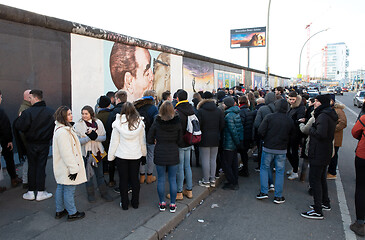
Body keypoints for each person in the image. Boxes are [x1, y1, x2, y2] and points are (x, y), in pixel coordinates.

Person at [301, 94, 338, 220]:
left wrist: (311, 129)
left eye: (316, 101)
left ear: (322, 103)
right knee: (321, 178)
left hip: (318, 152)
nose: (314, 103)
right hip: (325, 152)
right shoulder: (329, 114)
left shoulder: (322, 115)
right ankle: (324, 202)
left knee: (315, 180)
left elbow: (320, 134)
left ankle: (318, 210)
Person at [14, 89, 55, 201]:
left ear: (36, 98)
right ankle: (41, 192)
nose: (29, 100)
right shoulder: (51, 112)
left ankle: (31, 191)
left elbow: (19, 126)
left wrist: (21, 118)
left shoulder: (28, 113)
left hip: (31, 144)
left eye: (30, 98)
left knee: (32, 166)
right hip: (45, 144)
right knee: (41, 166)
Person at [108, 102, 146, 210]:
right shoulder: (140, 123)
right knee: (135, 179)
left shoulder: (118, 124)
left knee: (123, 180)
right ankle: (135, 202)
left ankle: (124, 203)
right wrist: (144, 155)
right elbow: (142, 141)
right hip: (135, 155)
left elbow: (114, 142)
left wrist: (110, 158)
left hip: (122, 155)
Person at [147, 101, 183, 213]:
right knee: (172, 179)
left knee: (161, 179)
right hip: (173, 151)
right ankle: (172, 204)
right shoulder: (177, 122)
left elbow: (149, 138)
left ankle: (162, 203)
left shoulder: (157, 121)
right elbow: (180, 141)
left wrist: (156, 140)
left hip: (160, 151)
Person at [256, 99, 294, 203]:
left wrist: (265, 139)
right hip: (282, 149)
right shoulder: (289, 119)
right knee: (279, 172)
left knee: (264, 168)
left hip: (268, 147)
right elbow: (292, 135)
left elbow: (260, 131)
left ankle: (264, 192)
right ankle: (278, 196)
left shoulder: (269, 117)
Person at [53, 106, 87, 221]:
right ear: (62, 116)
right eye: (68, 114)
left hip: (63, 166)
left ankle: (60, 210)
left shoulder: (61, 129)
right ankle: (72, 212)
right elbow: (66, 152)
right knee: (69, 189)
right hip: (67, 166)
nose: (71, 116)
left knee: (61, 187)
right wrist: (73, 169)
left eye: (71, 113)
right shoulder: (63, 132)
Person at [73, 106, 112, 203]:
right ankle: (90, 194)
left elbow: (103, 137)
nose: (84, 116)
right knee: (88, 175)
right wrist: (89, 138)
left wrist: (95, 137)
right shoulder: (78, 125)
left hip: (97, 152)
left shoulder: (98, 123)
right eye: (82, 113)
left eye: (86, 113)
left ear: (91, 114)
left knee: (100, 174)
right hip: (86, 153)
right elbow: (78, 141)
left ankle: (104, 193)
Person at [196, 91, 224, 187]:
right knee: (213, 159)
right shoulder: (218, 110)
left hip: (204, 138)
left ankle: (206, 180)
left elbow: (198, 125)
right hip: (216, 137)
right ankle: (212, 179)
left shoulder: (200, 111)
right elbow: (222, 125)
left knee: (205, 159)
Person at [134, 90, 158, 184]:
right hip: (150, 136)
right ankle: (149, 176)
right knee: (150, 156)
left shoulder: (138, 107)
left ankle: (142, 177)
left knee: (141, 156)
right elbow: (156, 124)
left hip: (139, 136)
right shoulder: (154, 108)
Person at [105, 90, 128, 189]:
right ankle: (127, 183)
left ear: (118, 99)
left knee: (113, 161)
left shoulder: (114, 111)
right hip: (127, 142)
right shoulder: (131, 110)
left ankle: (111, 180)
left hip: (116, 141)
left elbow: (109, 127)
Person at [175, 90, 195, 199]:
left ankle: (179, 192)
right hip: (189, 141)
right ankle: (189, 190)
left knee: (180, 167)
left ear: (178, 98)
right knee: (188, 166)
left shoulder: (178, 111)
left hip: (180, 143)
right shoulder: (191, 109)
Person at [0, 90, 22, 188]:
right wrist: (9, 140)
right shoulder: (1, 112)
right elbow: (5, 127)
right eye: (0, 97)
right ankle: (14, 178)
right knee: (9, 159)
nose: (1, 99)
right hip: (3, 140)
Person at [221, 96, 243, 190]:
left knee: (226, 164)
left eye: (223, 103)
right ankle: (234, 181)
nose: (222, 105)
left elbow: (232, 131)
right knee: (234, 163)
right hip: (234, 144)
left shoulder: (228, 116)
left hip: (229, 143)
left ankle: (232, 182)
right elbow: (239, 129)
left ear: (227, 105)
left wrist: (236, 142)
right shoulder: (236, 113)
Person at [350, 113, 365, 236]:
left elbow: (355, 132)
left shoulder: (364, 118)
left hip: (363, 156)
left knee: (361, 188)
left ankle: (360, 223)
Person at [254, 92, 276, 171]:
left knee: (263, 151)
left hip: (265, 136)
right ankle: (273, 166)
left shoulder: (262, 109)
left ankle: (261, 167)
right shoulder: (279, 108)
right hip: (278, 135)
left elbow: (257, 124)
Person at [286, 91, 306, 180]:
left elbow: (299, 121)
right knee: (288, 151)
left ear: (296, 99)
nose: (291, 101)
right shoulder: (291, 106)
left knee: (294, 152)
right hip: (290, 132)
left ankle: (295, 171)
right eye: (290, 99)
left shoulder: (300, 107)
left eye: (293, 99)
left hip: (295, 133)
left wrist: (295, 122)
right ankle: (294, 167)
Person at [327, 94, 347, 180]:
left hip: (336, 137)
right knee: (330, 154)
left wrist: (332, 128)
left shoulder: (338, 110)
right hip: (330, 137)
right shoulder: (330, 109)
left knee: (334, 155)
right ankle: (330, 170)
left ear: (333, 101)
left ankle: (332, 172)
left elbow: (343, 123)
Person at [238, 95, 257, 177]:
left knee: (242, 153)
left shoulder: (241, 111)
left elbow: (241, 124)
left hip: (243, 136)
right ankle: (245, 169)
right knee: (244, 153)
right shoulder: (248, 111)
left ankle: (245, 170)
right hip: (248, 135)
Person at [96, 96, 112, 177]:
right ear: (109, 105)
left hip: (99, 141)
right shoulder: (112, 115)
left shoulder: (96, 117)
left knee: (101, 156)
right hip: (110, 140)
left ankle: (102, 171)